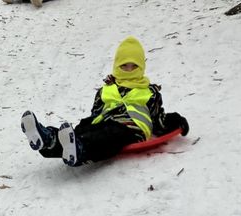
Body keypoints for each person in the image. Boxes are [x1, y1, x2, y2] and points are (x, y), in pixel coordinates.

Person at [21, 36, 189, 167]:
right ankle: (48, 140)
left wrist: (177, 121)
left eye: (134, 66)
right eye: (124, 66)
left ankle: (81, 150)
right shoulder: (106, 89)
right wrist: (88, 125)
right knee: (84, 130)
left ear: (141, 67)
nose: (129, 70)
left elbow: (159, 121)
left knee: (110, 135)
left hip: (130, 129)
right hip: (104, 122)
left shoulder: (149, 92)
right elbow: (96, 113)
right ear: (117, 66)